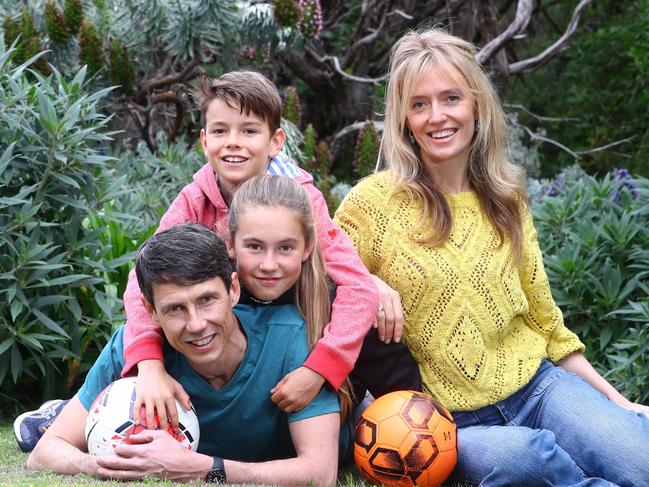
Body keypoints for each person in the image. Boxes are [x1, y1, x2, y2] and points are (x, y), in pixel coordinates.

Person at [334, 28, 649, 486]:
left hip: (537, 388)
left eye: (451, 98)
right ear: (403, 118)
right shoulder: (373, 203)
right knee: (527, 460)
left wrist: (617, 405)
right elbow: (317, 259)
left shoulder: (506, 200)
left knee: (637, 455)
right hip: (442, 424)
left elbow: (548, 326)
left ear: (476, 105)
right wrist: (368, 283)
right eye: (419, 104)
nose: (436, 116)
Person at [120, 71, 380, 431]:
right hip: (218, 344)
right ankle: (94, 408)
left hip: (288, 344)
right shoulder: (194, 201)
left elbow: (358, 286)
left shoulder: (299, 200)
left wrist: (321, 367)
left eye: (248, 131)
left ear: (275, 142)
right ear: (204, 139)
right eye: (220, 131)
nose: (233, 142)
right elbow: (143, 283)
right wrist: (148, 364)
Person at [27, 215, 348, 485]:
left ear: (234, 289)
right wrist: (107, 465)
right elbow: (45, 452)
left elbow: (320, 473)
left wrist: (205, 469)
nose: (196, 324)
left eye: (207, 300)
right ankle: (66, 411)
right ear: (150, 311)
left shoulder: (292, 339)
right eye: (175, 309)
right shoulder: (133, 346)